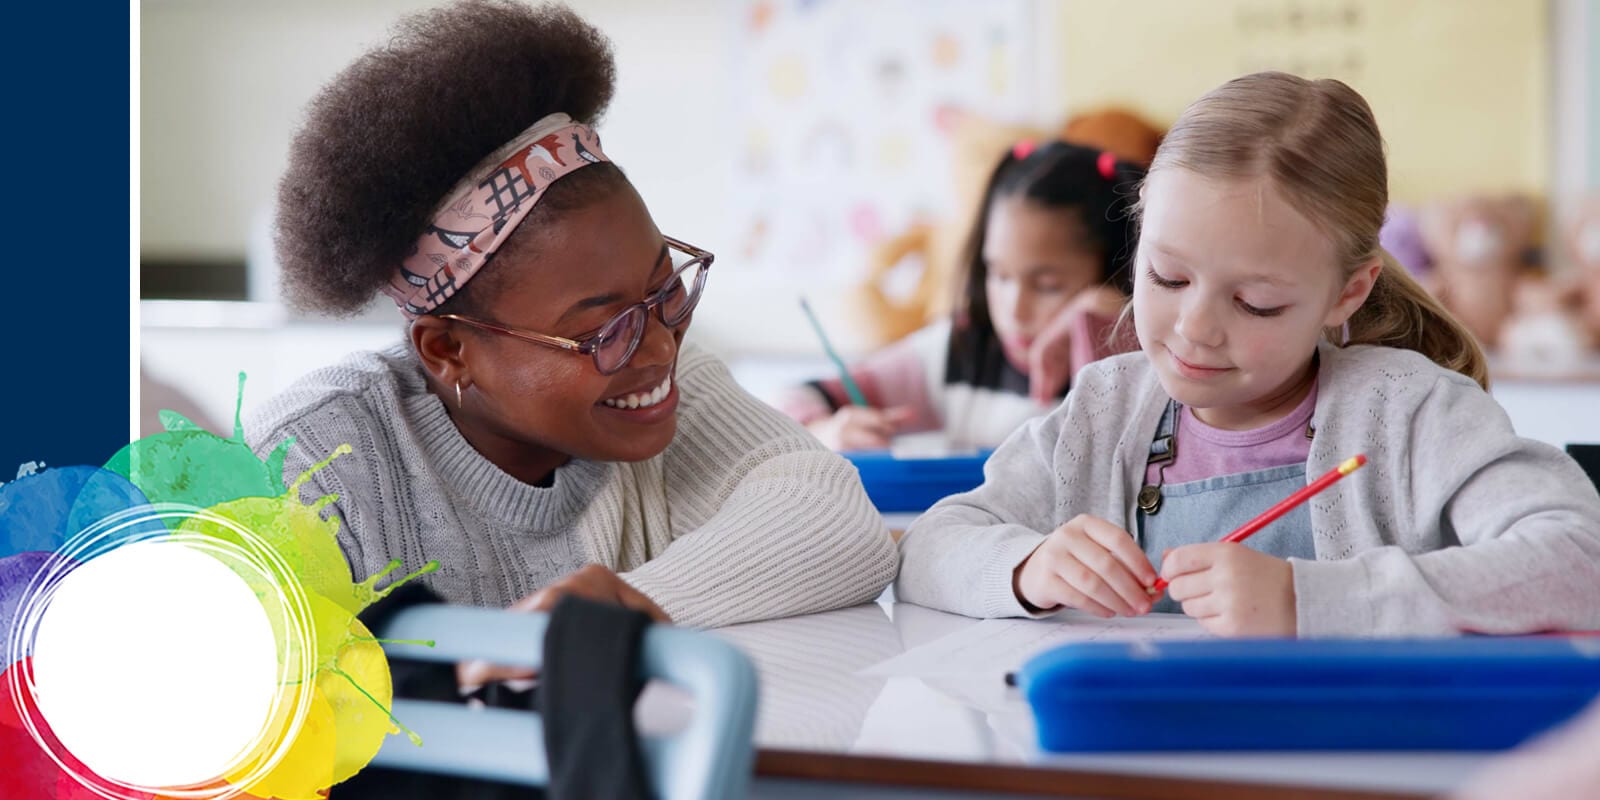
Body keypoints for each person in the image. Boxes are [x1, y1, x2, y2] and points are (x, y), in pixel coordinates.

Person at [249, 1, 898, 642]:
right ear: (449, 350)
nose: (661, 346)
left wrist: (629, 607)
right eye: (603, 329)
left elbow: (840, 521)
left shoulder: (660, 386)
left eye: (665, 288)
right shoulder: (312, 464)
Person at [896, 72, 1600, 637]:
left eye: (1255, 302)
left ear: (1347, 293)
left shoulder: (1410, 414)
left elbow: (1581, 562)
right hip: (1125, 753)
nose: (1195, 329)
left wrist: (1313, 601)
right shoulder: (1104, 411)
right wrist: (1028, 566)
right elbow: (929, 548)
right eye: (1167, 278)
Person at [779, 141, 1142, 450]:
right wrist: (826, 430)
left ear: (1114, 271)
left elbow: (1113, 458)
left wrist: (1105, 325)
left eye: (1047, 285)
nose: (1014, 310)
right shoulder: (961, 351)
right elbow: (791, 402)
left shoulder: (1143, 361)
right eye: (999, 275)